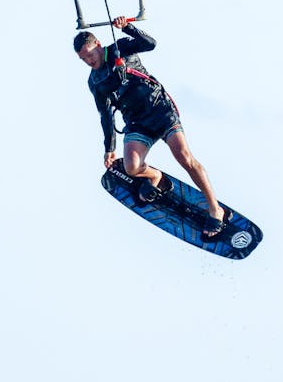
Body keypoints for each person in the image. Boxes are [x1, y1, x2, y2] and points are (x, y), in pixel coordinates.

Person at [73, 16, 229, 237]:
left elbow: (150, 44)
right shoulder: (95, 82)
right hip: (137, 122)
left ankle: (215, 209)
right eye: (83, 59)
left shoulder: (120, 49)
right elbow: (106, 115)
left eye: (89, 55)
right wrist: (109, 148)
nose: (88, 61)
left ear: (97, 45)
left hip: (160, 109)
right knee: (131, 167)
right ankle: (155, 177)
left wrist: (127, 27)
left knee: (184, 157)